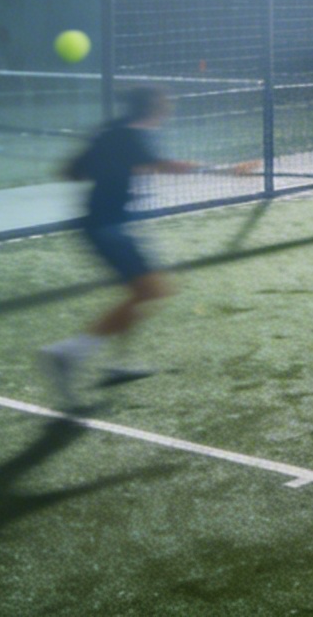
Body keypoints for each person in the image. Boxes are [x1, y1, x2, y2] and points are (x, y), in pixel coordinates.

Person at [41, 86, 222, 406]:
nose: (169, 108)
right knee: (153, 291)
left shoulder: (110, 132)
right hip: (107, 227)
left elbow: (70, 171)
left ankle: (117, 363)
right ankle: (67, 354)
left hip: (102, 223)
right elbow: (166, 166)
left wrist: (108, 167)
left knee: (139, 294)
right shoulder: (131, 136)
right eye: (165, 104)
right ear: (152, 107)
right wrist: (223, 169)